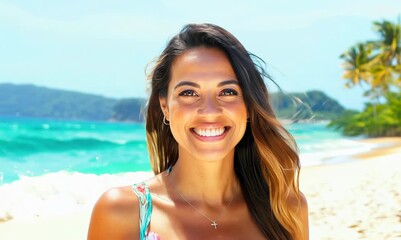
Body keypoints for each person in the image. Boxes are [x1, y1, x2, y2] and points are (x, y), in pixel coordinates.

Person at [87, 23, 309, 240]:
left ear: (249, 106)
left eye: (228, 91)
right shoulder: (122, 212)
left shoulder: (286, 210)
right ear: (165, 106)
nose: (210, 112)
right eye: (189, 93)